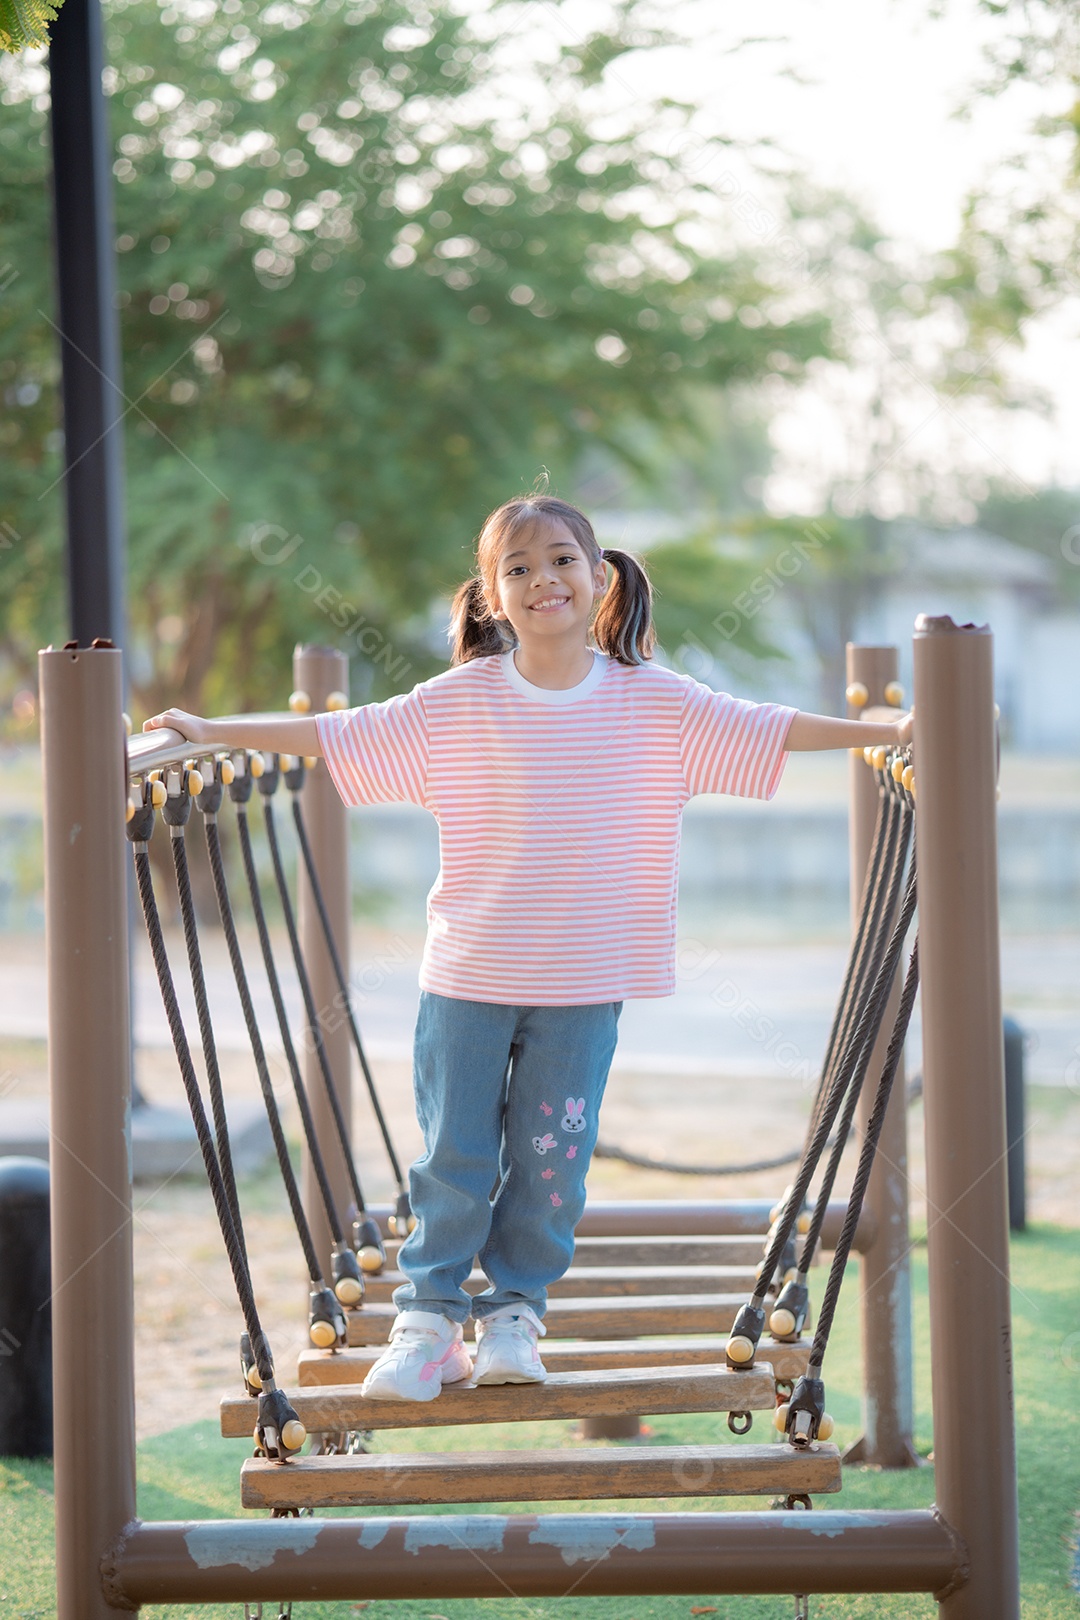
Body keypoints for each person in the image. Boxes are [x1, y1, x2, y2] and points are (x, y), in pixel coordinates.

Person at [145, 493, 912, 1403]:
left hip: (584, 985)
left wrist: (888, 731)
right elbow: (335, 734)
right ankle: (428, 1323)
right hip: (467, 976)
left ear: (601, 579)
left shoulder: (655, 701)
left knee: (551, 1160)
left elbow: (770, 726)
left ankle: (515, 1316)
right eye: (518, 568)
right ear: (490, 596)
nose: (542, 579)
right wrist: (213, 730)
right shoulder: (459, 703)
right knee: (454, 1156)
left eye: (560, 561)